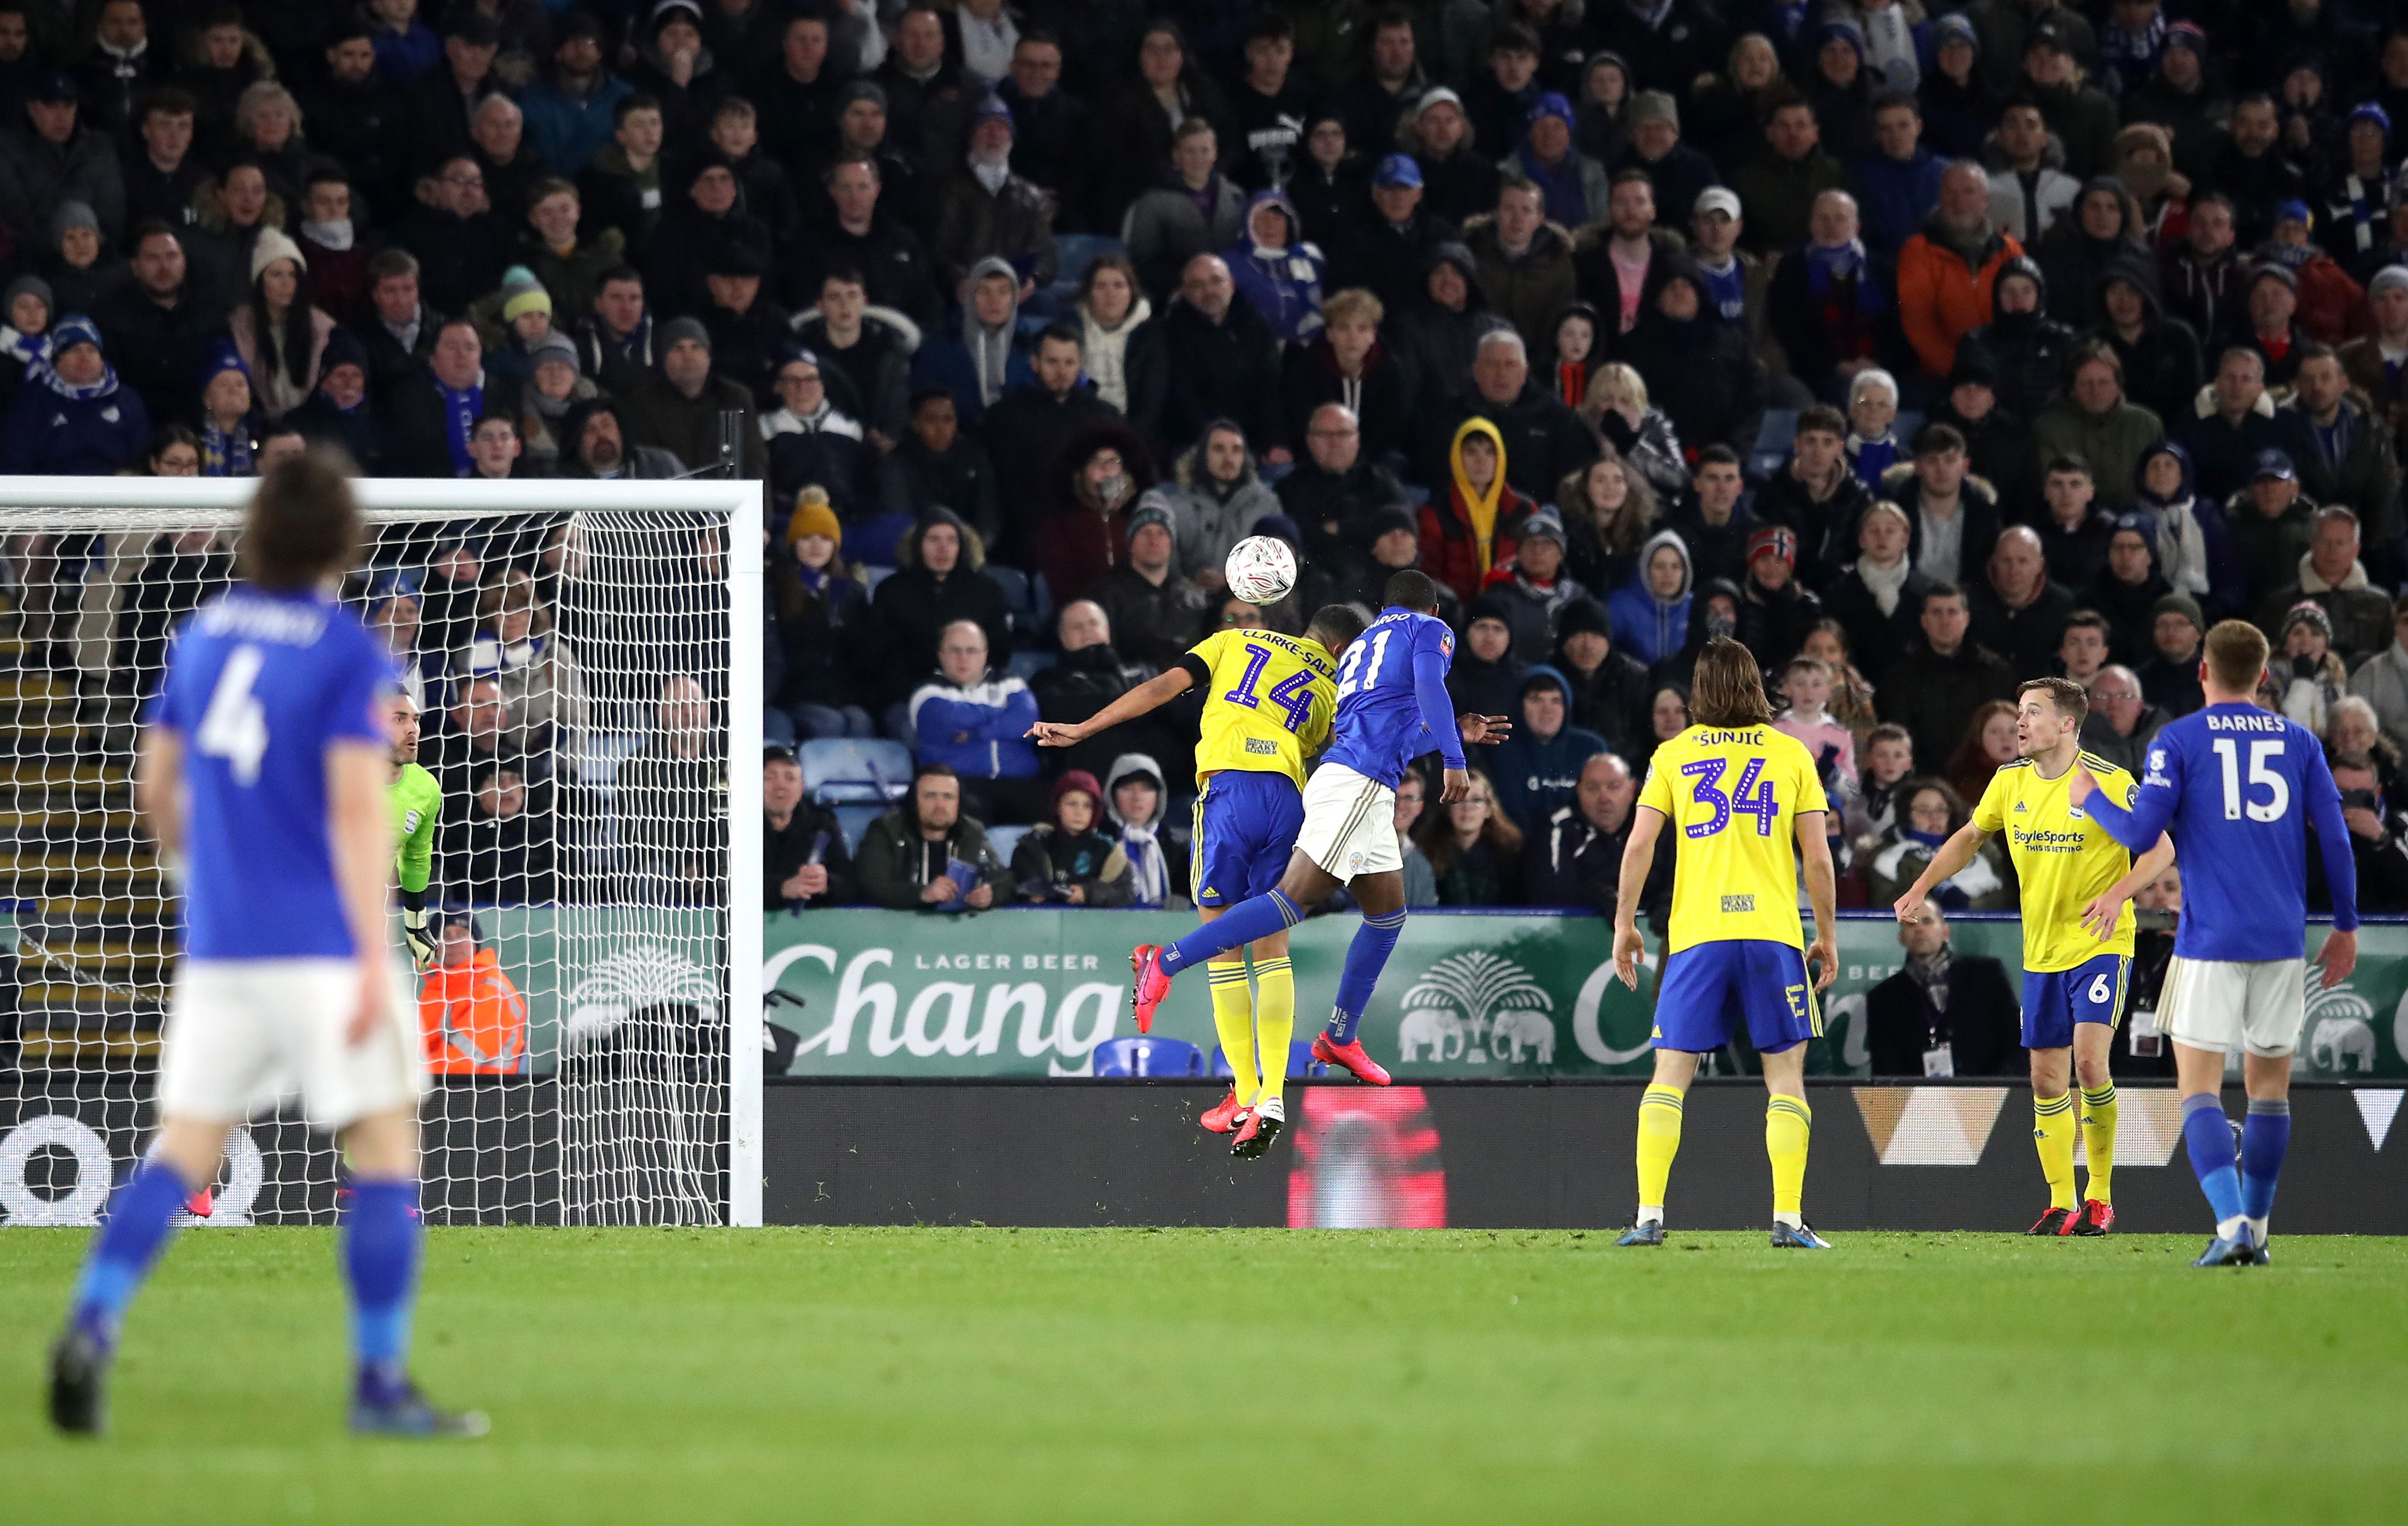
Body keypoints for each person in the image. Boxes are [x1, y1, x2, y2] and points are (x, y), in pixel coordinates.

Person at [47, 452, 480, 1437]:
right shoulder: (345, 653)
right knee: (381, 1149)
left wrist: (216, 872)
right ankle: (378, 1383)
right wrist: (378, 956)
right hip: (324, 943)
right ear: (340, 539)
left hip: (224, 946)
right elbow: (355, 805)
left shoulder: (202, 636)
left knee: (182, 1150)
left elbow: (157, 790)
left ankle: (93, 1320)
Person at [1129, 571, 1510, 1103]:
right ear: (1435, 610)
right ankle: (1166, 960)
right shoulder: (1428, 631)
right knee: (1290, 903)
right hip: (1356, 785)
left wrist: (1448, 733)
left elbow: (1386, 728)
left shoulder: (1360, 653)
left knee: (1387, 916)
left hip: (1363, 784)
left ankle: (1339, 1036)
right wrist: (1453, 757)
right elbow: (1429, 686)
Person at [2070, 620, 2360, 1267]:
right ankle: (2256, 1227)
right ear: (2264, 676)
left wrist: (2090, 799)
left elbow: (2144, 833)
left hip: (2209, 939)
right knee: (2268, 1092)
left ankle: (2231, 1222)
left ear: (2203, 671)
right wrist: (2345, 924)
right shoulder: (2302, 742)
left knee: (2199, 1090)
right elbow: (2336, 837)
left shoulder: (2178, 739)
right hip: (2283, 940)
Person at [1034, 604, 1364, 1155]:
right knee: (1274, 950)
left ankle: (1244, 1084)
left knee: (1224, 951)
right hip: (1287, 798)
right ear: (1339, 650)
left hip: (1230, 791)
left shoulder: (1235, 641)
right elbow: (1347, 750)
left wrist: (1086, 728)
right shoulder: (1333, 682)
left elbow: (1161, 688)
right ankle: (1270, 1096)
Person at [1898, 677, 2175, 1236]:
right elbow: (1969, 836)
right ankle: (2060, 1201)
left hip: (2100, 943)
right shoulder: (2010, 783)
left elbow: (2162, 847)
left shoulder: (2108, 782)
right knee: (2047, 1078)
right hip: (2042, 951)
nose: (2020, 724)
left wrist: (2118, 894)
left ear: (2067, 724)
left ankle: (2099, 1196)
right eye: (2020, 713)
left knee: (2091, 1063)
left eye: (2032, 713)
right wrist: (1922, 884)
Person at [1608, 635, 1838, 1250]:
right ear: (1758, 687)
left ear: (1698, 692)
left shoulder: (1674, 754)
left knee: (1669, 1076)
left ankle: (1648, 1215)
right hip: (1770, 933)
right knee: (1786, 1079)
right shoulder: (1792, 755)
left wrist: (1624, 922)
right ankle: (1788, 1220)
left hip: (1698, 935)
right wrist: (1826, 935)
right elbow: (1818, 857)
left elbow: (1638, 845)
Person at [1867, 903, 2023, 1077]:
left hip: (1991, 1095)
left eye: (1927, 921)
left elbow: (2016, 1042)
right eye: (1911, 923)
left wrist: (1994, 1091)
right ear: (1901, 938)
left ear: (1945, 932)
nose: (1919, 929)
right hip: (1920, 1102)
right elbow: (1886, 1070)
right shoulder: (1883, 997)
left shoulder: (1987, 975)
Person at [855, 762, 1015, 912]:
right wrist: (922, 894)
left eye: (948, 797)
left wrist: (991, 894)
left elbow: (1005, 879)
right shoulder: (886, 830)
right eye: (931, 796)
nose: (940, 805)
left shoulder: (971, 831)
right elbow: (872, 884)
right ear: (914, 800)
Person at [1009, 770, 1132, 908]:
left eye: (1087, 806)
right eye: (1071, 804)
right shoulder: (1033, 846)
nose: (1079, 812)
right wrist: (1028, 895)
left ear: (1096, 811)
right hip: (1040, 924)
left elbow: (1125, 894)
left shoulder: (1109, 851)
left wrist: (1088, 893)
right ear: (1057, 806)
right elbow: (1012, 886)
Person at [764, 746, 856, 912]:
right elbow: (722, 885)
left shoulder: (822, 823)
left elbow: (850, 883)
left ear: (802, 787)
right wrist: (782, 888)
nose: (780, 786)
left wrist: (826, 884)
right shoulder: (733, 825)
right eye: (769, 778)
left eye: (790, 778)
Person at [386, 694, 441, 974]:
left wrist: (416, 925)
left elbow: (417, 857)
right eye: (399, 719)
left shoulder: (426, 788)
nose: (413, 729)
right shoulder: (331, 777)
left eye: (416, 720)